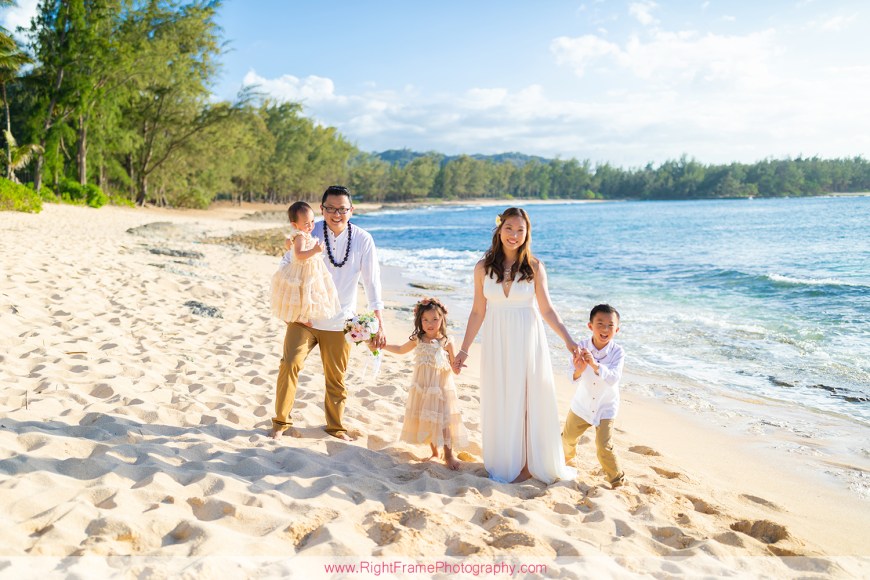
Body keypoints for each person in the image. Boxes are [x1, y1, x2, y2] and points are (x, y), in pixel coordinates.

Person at [453, 207, 578, 484]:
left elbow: (547, 310)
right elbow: (477, 312)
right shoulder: (483, 268)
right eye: (509, 228)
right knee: (502, 397)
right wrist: (464, 350)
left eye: (520, 230)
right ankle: (507, 459)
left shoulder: (534, 267)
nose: (514, 235)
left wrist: (569, 340)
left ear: (527, 234)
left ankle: (527, 465)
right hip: (497, 341)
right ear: (499, 229)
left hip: (527, 339)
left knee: (527, 399)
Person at [269, 185, 386, 442]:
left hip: (341, 320)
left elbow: (372, 281)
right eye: (330, 208)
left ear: (351, 210)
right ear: (321, 209)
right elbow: (286, 266)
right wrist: (289, 310)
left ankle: (336, 427)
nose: (336, 214)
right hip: (304, 317)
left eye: (342, 209)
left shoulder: (363, 239)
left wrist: (379, 321)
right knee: (289, 364)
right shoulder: (308, 232)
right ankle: (280, 422)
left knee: (336, 377)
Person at [383, 297, 468, 470]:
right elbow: (400, 349)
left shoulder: (446, 341)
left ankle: (449, 455)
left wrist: (458, 365)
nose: (430, 324)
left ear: (442, 319)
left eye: (435, 319)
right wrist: (382, 346)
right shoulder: (418, 339)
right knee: (427, 417)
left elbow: (454, 368)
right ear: (419, 320)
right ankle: (435, 452)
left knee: (444, 421)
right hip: (422, 387)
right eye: (425, 320)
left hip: (441, 388)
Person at [562, 304, 626, 488]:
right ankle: (568, 464)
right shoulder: (580, 346)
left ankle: (617, 479)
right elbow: (571, 377)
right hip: (582, 404)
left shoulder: (618, 352)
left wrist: (595, 365)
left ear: (617, 329)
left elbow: (613, 378)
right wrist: (579, 370)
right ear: (590, 326)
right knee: (567, 439)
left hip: (606, 407)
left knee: (603, 446)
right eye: (600, 324)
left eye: (610, 325)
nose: (605, 329)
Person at [270, 201, 341, 326]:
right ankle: (297, 317)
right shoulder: (301, 236)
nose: (311, 226)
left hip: (309, 268)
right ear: (295, 224)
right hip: (301, 269)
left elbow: (290, 247)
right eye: (306, 223)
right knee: (300, 293)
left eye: (313, 221)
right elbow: (299, 254)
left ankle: (302, 316)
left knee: (306, 294)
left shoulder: (304, 234)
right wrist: (315, 250)